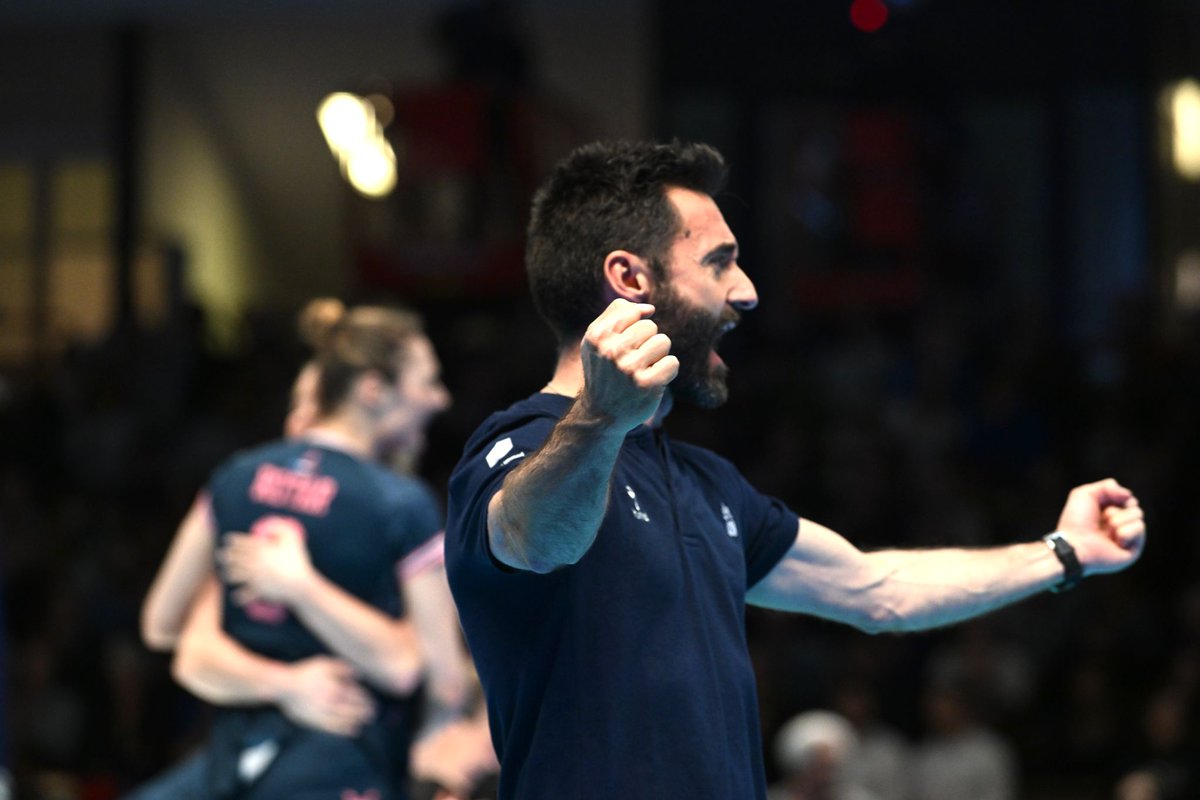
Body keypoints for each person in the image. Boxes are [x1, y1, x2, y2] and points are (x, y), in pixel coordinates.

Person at [442, 139, 1148, 799]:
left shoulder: (706, 483)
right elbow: (535, 537)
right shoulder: (517, 443)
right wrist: (599, 418)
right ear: (630, 278)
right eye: (719, 262)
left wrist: (1064, 553)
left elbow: (879, 589)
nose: (746, 291)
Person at [132, 299, 491, 800]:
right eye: (426, 381)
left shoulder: (234, 478)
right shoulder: (400, 504)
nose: (439, 399)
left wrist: (297, 590)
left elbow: (160, 624)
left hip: (232, 756)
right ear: (372, 390)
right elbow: (438, 679)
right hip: (343, 762)